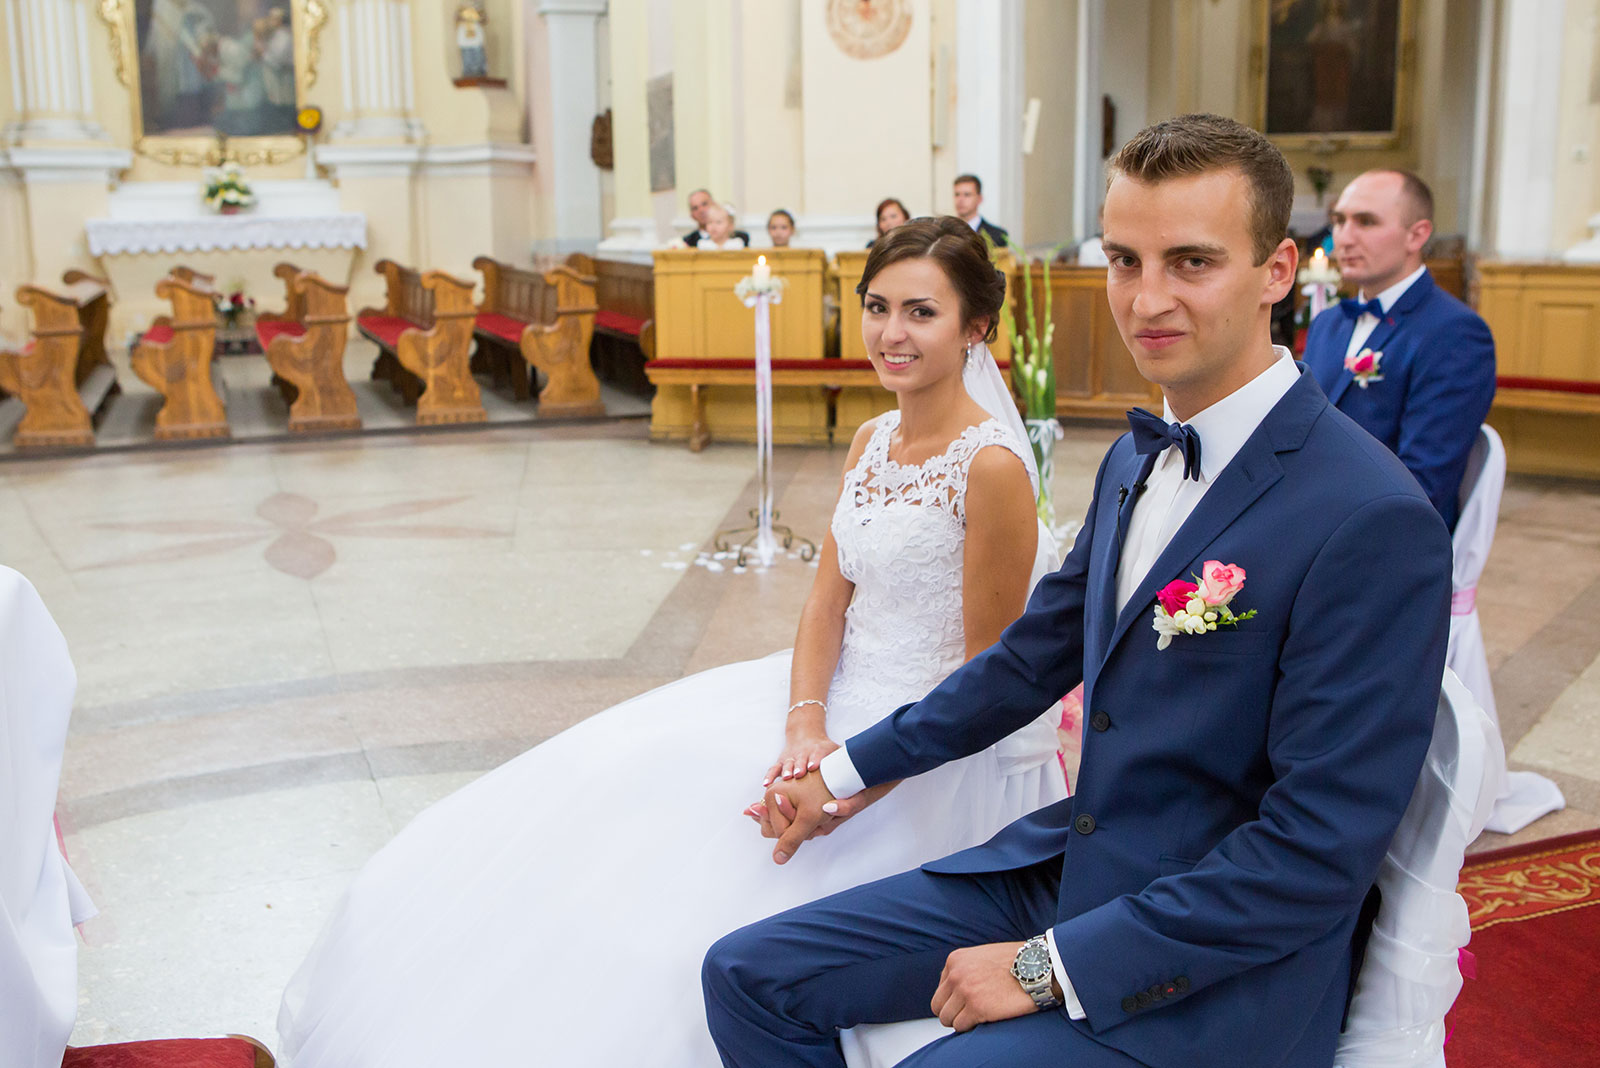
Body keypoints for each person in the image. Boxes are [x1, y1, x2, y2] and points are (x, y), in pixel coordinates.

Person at [704, 114, 1452, 1068]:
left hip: (1220, 967)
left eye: (1190, 262)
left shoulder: (1371, 516)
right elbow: (1024, 663)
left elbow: (1314, 852)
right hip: (1075, 867)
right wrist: (840, 776)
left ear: (1277, 271)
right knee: (746, 974)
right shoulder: (1137, 459)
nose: (1147, 299)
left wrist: (1043, 967)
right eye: (1124, 261)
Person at [277, 217, 1068, 1068]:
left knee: (721, 892)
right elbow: (826, 604)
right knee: (617, 784)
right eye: (877, 307)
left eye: (921, 312)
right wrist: (805, 723)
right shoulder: (872, 440)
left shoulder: (991, 467)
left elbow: (982, 676)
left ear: (975, 327)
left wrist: (843, 785)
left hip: (920, 746)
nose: (891, 333)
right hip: (825, 696)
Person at [1302, 170, 1495, 531]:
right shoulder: (1328, 323)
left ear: (1417, 235)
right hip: (1309, 515)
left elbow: (1423, 483)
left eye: (1366, 222)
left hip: (1385, 533)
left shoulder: (1455, 333)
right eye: (1339, 221)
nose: (1345, 238)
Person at [682, 188, 752, 247]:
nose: (701, 210)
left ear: (714, 204)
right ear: (692, 215)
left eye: (704, 204)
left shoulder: (740, 239)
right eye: (695, 208)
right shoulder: (688, 242)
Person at [953, 174, 1008, 248]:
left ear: (979, 199)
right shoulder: (944, 232)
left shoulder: (997, 236)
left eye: (967, 195)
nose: (960, 200)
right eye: (957, 194)